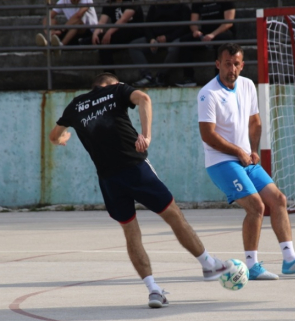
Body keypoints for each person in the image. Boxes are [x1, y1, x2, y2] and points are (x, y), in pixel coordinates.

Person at [49, 72, 231, 307]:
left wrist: (62, 139)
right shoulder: (118, 90)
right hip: (134, 168)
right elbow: (144, 99)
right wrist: (146, 135)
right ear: (113, 83)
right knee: (173, 214)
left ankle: (153, 289)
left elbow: (53, 136)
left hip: (108, 179)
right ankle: (208, 264)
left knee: (131, 232)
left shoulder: (76, 105)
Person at [197, 43, 295, 280]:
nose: (231, 68)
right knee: (256, 206)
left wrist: (252, 150)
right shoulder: (208, 94)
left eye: (236, 64)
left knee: (278, 199)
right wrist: (238, 151)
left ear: (242, 65)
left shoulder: (247, 85)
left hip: (244, 158)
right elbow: (208, 135)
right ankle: (252, 266)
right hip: (221, 161)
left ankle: (290, 259)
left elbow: (255, 121)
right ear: (217, 64)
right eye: (227, 63)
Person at [129, 3, 191, 87]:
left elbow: (184, 28)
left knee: (175, 47)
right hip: (155, 38)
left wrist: (168, 38)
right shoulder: (155, 6)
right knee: (134, 45)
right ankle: (147, 76)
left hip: (173, 38)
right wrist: (151, 39)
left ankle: (162, 75)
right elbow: (147, 25)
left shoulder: (182, 7)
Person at [175, 2, 236, 88]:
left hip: (222, 32)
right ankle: (188, 78)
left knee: (221, 44)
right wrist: (196, 31)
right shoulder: (198, 2)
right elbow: (193, 22)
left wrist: (213, 35)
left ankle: (219, 78)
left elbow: (228, 23)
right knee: (185, 41)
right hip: (205, 33)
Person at [92, 0, 145, 74]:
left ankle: (110, 75)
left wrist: (109, 32)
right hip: (118, 33)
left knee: (104, 40)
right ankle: (110, 75)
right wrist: (95, 33)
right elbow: (102, 21)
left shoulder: (132, 2)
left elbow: (124, 19)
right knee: (102, 41)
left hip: (134, 32)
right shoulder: (110, 3)